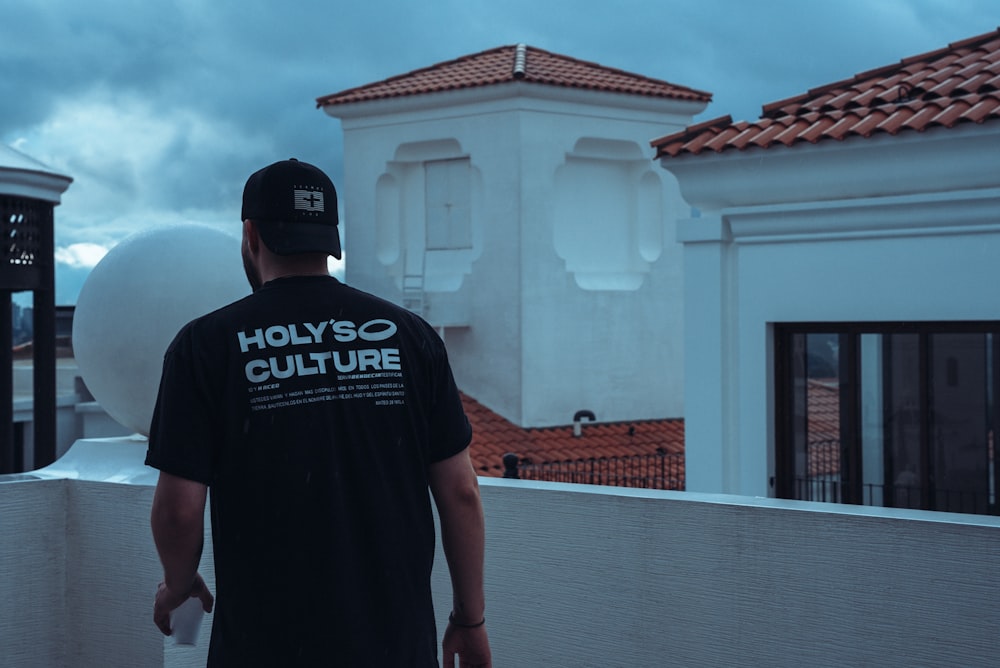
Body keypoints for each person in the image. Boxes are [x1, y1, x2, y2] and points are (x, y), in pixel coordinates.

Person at [146, 158, 491, 667]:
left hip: (266, 647)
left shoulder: (206, 345)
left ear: (251, 234)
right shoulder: (409, 336)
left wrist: (178, 584)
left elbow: (178, 510)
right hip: (395, 644)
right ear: (330, 239)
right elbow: (461, 492)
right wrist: (470, 620)